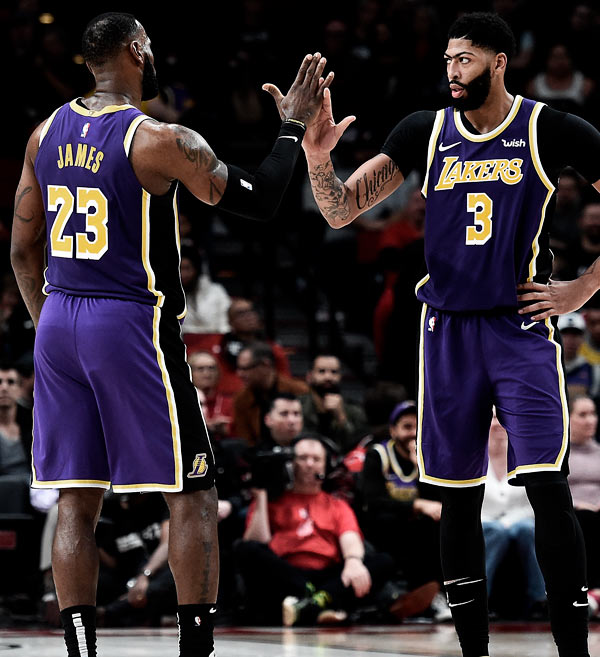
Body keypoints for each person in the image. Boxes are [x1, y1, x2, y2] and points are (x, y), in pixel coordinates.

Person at [10, 11, 332, 657]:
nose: (153, 54)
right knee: (191, 492)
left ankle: (80, 648)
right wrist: (293, 126)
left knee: (77, 497)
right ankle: (195, 647)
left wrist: (50, 330)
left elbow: (22, 250)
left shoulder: (44, 133)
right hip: (126, 321)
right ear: (135, 50)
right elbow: (261, 197)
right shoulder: (157, 138)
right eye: (150, 46)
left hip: (59, 320)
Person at [302, 10, 600, 657]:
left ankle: (575, 650)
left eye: (464, 59)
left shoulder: (548, 127)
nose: (452, 72)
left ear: (499, 61)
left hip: (520, 328)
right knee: (458, 497)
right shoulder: (424, 130)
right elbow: (340, 209)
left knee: (548, 488)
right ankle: (472, 652)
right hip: (447, 332)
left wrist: (582, 287)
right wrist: (317, 156)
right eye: (447, 60)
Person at [236, 434, 395, 626]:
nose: (310, 464)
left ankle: (310, 606)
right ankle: (318, 603)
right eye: (303, 458)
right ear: (291, 463)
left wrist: (353, 561)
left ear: (326, 465)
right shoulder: (273, 501)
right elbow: (257, 541)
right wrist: (261, 495)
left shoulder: (336, 505)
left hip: (327, 575)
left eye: (316, 459)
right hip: (287, 576)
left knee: (383, 561)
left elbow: (350, 537)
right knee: (245, 549)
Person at [360, 400, 450, 621]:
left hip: (417, 526)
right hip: (383, 526)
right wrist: (416, 505)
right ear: (393, 430)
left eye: (418, 427)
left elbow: (436, 501)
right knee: (397, 524)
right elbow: (374, 501)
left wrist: (420, 467)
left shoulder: (429, 456)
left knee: (439, 527)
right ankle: (422, 595)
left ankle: (438, 594)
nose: (414, 433)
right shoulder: (377, 455)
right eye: (407, 427)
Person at [481, 412, 546, 619]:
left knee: (527, 530)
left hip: (520, 520)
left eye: (502, 417)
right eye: (493, 418)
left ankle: (540, 600)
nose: (499, 423)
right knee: (495, 532)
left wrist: (508, 522)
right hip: (483, 521)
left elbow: (533, 503)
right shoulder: (473, 455)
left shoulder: (524, 455)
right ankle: (480, 599)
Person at [232, 342, 308, 445]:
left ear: (265, 364)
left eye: (245, 368)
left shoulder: (299, 391)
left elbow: (308, 433)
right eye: (238, 368)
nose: (239, 374)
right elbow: (245, 441)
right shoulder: (241, 400)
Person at [567, 395, 600, 613]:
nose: (590, 420)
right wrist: (578, 504)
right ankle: (590, 590)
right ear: (568, 418)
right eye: (582, 415)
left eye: (593, 414)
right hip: (572, 513)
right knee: (586, 519)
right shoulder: (561, 453)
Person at [300, 354, 368, 453]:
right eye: (321, 371)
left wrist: (341, 418)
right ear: (309, 376)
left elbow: (358, 447)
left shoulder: (354, 410)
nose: (328, 377)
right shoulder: (298, 406)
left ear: (340, 376)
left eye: (334, 372)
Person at [189, 350, 234, 440]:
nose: (207, 373)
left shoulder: (230, 403)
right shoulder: (183, 402)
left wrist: (226, 430)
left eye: (211, 368)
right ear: (190, 372)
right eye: (200, 369)